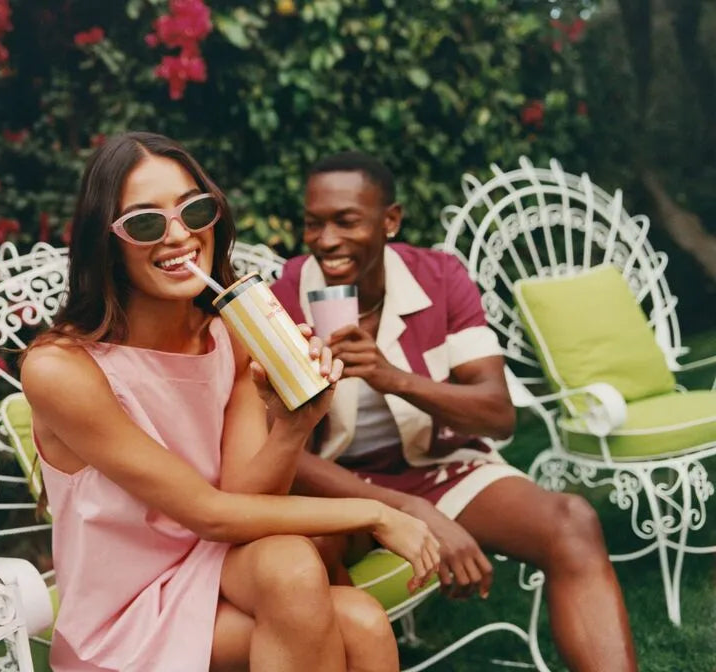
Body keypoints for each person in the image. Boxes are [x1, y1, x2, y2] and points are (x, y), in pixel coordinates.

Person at [20, 133, 441, 672]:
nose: (179, 236)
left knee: (332, 594)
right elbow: (211, 514)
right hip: (124, 617)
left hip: (212, 568)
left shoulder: (230, 335)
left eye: (194, 211)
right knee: (353, 620)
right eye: (146, 222)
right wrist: (379, 512)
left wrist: (295, 421)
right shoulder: (62, 368)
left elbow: (246, 496)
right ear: (108, 243)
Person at [271, 151, 638, 672]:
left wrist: (391, 377)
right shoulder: (283, 298)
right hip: (343, 484)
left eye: (346, 221)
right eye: (314, 223)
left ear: (390, 221)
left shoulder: (440, 277)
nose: (326, 240)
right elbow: (283, 454)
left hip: (444, 467)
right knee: (310, 547)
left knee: (572, 521)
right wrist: (411, 512)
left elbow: (496, 414)